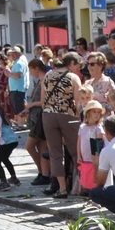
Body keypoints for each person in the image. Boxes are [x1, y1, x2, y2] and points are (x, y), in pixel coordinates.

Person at [41, 53, 82, 197]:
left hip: (49, 116)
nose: (78, 69)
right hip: (68, 116)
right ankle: (80, 186)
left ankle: (62, 188)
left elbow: (43, 99)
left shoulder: (48, 75)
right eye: (78, 65)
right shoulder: (73, 77)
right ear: (71, 63)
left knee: (55, 153)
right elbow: (78, 102)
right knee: (76, 152)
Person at [23, 57, 51, 187]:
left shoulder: (44, 80)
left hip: (41, 117)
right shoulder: (40, 81)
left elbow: (44, 102)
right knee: (41, 146)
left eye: (31, 70)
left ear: (37, 68)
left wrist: (31, 105)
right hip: (36, 117)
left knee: (30, 145)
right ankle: (43, 173)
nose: (30, 73)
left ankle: (43, 172)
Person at [78, 101, 107, 191]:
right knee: (86, 178)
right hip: (85, 158)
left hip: (94, 159)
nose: (97, 114)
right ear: (88, 113)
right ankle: (87, 191)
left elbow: (99, 145)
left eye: (98, 112)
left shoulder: (98, 128)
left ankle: (94, 194)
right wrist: (78, 155)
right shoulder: (82, 127)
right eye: (94, 111)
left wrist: (97, 158)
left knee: (94, 179)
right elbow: (79, 142)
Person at [8, 47, 29, 121]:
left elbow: (18, 74)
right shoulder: (15, 62)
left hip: (18, 89)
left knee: (19, 108)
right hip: (14, 88)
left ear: (19, 54)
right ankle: (19, 122)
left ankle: (21, 122)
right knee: (16, 108)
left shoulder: (19, 63)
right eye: (11, 54)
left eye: (14, 53)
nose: (12, 55)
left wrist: (9, 74)